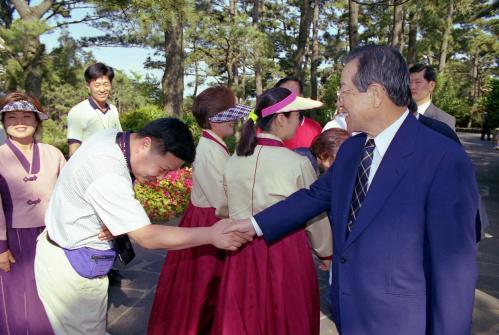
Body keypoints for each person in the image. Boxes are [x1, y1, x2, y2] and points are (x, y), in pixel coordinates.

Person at [226, 46, 479, 334]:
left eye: (344, 91)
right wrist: (252, 225)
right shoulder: (352, 150)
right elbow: (314, 196)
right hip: (350, 313)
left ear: (374, 94)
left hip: (401, 322)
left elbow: (454, 269)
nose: (340, 102)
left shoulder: (443, 158)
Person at [34, 118, 251, 335]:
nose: (160, 178)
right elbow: (147, 237)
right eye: (163, 168)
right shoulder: (107, 171)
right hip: (71, 268)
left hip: (71, 252)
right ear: (145, 144)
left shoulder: (113, 139)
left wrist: (112, 216)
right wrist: (211, 234)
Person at [212, 87, 332, 335]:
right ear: (281, 117)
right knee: (287, 315)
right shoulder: (297, 163)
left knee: (243, 315)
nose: (300, 122)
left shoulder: (234, 159)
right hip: (285, 251)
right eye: (298, 115)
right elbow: (313, 215)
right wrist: (326, 252)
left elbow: (223, 208)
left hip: (240, 248)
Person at [148, 87, 251, 335]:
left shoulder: (214, 146)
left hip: (208, 218)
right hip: (209, 220)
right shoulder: (209, 150)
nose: (236, 120)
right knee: (203, 291)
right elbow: (222, 201)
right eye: (231, 114)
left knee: (204, 290)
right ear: (216, 119)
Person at [0, 92, 66, 335]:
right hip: (14, 239)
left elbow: (69, 194)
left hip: (52, 234)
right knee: (18, 299)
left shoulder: (53, 153)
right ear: (3, 121)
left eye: (27, 116)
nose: (20, 122)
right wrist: (1, 248)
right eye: (12, 117)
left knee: (52, 294)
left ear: (37, 121)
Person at [67, 62, 122, 157]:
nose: (102, 89)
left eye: (106, 84)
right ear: (88, 86)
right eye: (97, 85)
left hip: (113, 165)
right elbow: (73, 151)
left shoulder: (113, 110)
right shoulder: (78, 111)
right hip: (89, 167)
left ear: (111, 84)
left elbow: (120, 139)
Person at [276, 77, 323, 149]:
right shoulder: (265, 129)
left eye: (292, 94)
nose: (287, 98)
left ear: (301, 97)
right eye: (282, 94)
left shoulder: (315, 128)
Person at [409, 63, 456, 130]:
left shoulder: (444, 120)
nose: (412, 87)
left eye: (418, 82)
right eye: (409, 82)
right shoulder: (396, 113)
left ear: (431, 86)